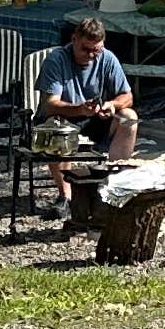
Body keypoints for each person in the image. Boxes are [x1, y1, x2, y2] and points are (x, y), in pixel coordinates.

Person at [28, 14, 139, 218]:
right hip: (62, 117)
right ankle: (66, 197)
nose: (90, 55)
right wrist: (79, 109)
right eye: (85, 49)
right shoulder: (56, 60)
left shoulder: (107, 58)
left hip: (94, 118)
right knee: (57, 130)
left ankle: (113, 186)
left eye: (95, 50)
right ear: (74, 40)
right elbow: (50, 105)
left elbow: (128, 96)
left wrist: (112, 105)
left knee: (129, 118)